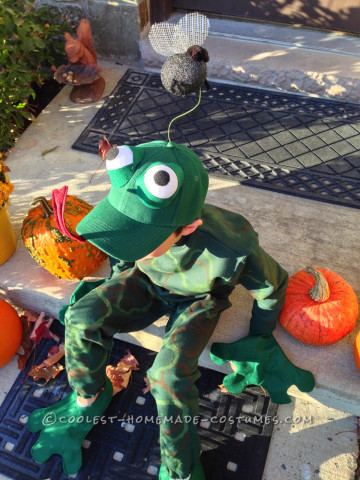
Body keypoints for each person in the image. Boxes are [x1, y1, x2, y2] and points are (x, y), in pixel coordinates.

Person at [27, 141, 315, 480]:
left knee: (168, 376)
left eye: (141, 238)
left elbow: (273, 285)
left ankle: (180, 469)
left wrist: (261, 336)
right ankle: (89, 397)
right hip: (147, 281)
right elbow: (122, 253)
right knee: (81, 316)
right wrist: (116, 283)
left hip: (198, 299)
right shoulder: (140, 243)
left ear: (188, 227)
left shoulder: (231, 247)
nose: (130, 242)